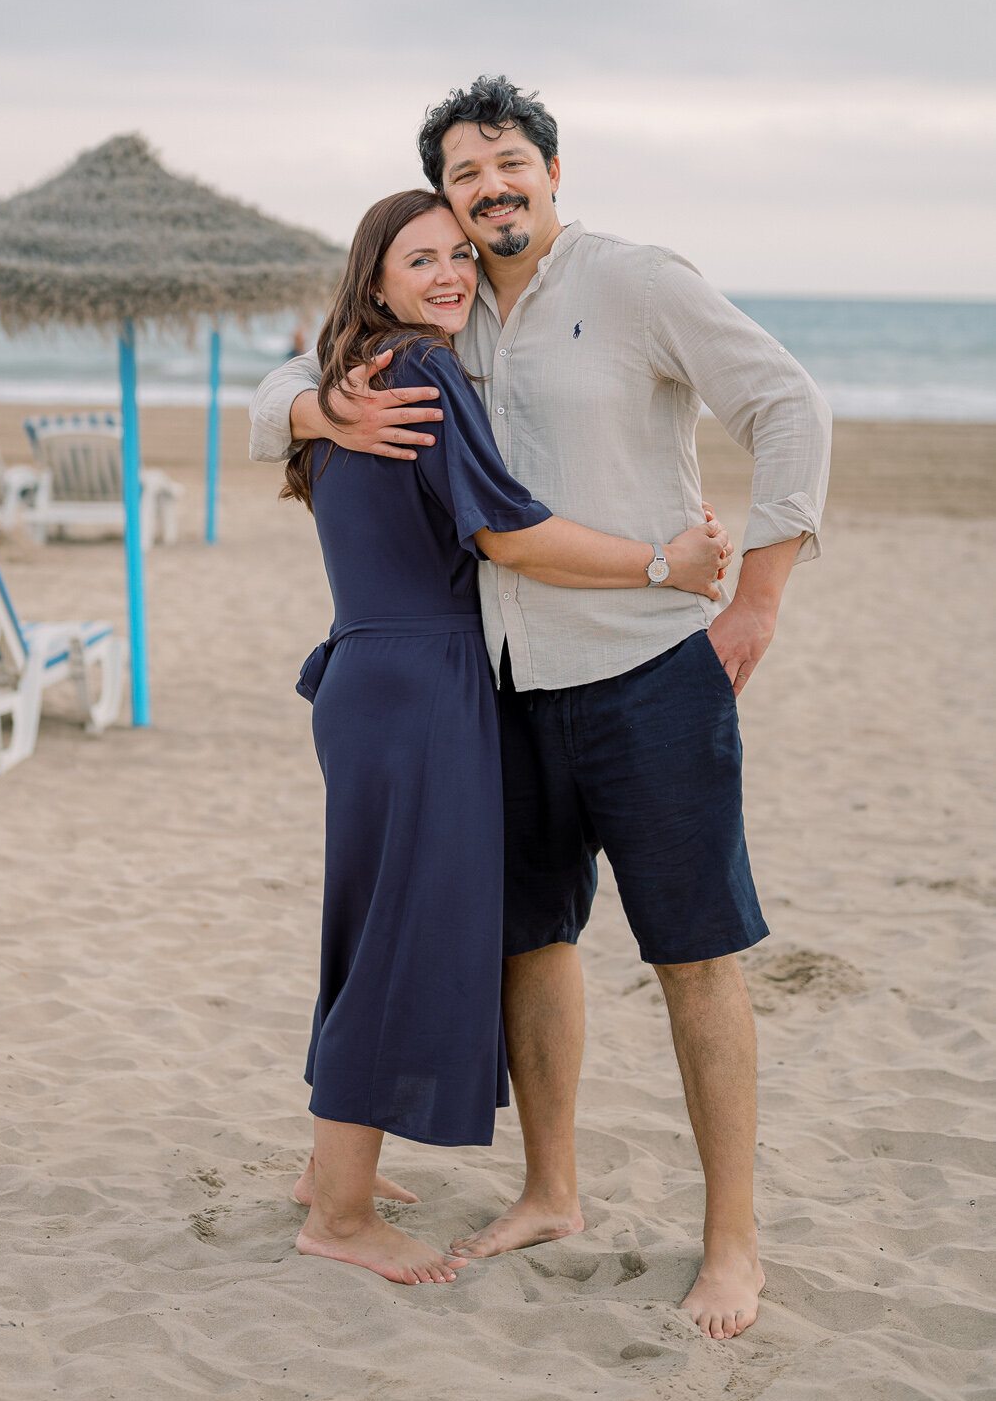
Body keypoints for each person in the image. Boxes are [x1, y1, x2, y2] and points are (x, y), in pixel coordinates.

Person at [252, 76, 833, 1336]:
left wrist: (757, 602)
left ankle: (729, 1241)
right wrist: (312, 405)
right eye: (465, 177)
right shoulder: (443, 311)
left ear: (551, 170)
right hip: (501, 691)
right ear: (444, 204)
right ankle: (550, 1190)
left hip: (644, 673)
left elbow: (787, 405)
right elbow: (269, 395)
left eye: (507, 163)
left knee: (694, 956)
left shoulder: (636, 283)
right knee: (531, 943)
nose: (489, 190)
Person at [284, 187, 732, 1286]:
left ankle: (324, 1169)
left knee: (366, 922)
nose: (445, 273)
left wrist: (306, 402)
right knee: (398, 934)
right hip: (425, 683)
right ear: (376, 279)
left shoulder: (352, 373)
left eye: (454, 257)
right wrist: (660, 562)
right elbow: (505, 532)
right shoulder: (423, 371)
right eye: (418, 258)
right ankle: (338, 1213)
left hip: (366, 673)